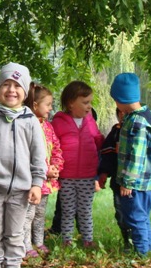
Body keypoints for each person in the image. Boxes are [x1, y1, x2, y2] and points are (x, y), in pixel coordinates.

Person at [0, 62, 47, 268]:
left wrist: (37, 183)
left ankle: (13, 264)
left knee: (15, 234)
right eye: (6, 84)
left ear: (25, 91)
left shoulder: (31, 120)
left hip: (21, 191)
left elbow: (39, 155)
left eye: (17, 85)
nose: (11, 89)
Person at [111, 73, 151, 256]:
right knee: (143, 218)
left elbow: (136, 155)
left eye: (116, 100)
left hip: (134, 185)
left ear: (121, 99)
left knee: (135, 219)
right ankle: (148, 250)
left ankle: (142, 254)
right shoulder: (150, 115)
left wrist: (128, 182)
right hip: (146, 183)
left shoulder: (136, 122)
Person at [51, 81, 104, 247]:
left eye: (90, 102)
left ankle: (87, 240)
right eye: (85, 102)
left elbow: (98, 140)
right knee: (67, 210)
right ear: (70, 103)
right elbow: (53, 146)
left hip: (87, 176)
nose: (89, 106)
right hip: (66, 176)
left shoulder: (89, 120)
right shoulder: (58, 122)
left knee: (85, 210)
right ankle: (66, 240)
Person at [22, 83, 63, 258]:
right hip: (30, 182)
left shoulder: (48, 126)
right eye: (48, 104)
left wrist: (56, 167)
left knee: (40, 214)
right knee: (28, 214)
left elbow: (56, 148)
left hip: (45, 183)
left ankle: (38, 242)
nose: (51, 108)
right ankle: (25, 245)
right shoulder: (26, 125)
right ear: (35, 105)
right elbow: (25, 155)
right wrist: (45, 170)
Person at [97, 108, 131, 251]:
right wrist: (104, 173)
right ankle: (127, 241)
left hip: (137, 183)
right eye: (120, 112)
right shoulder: (116, 131)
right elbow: (107, 154)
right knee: (120, 212)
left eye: (126, 112)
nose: (122, 115)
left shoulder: (139, 130)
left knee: (135, 212)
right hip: (118, 181)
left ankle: (141, 243)